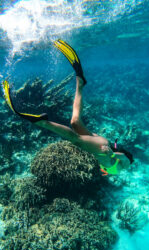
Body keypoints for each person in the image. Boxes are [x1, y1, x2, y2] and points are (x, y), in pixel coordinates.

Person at [2, 39, 133, 175]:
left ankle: (80, 82)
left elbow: (105, 163)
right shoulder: (121, 167)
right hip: (102, 147)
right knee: (77, 140)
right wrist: (111, 154)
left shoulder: (107, 171)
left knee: (75, 122)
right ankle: (43, 122)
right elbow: (126, 158)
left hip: (101, 147)